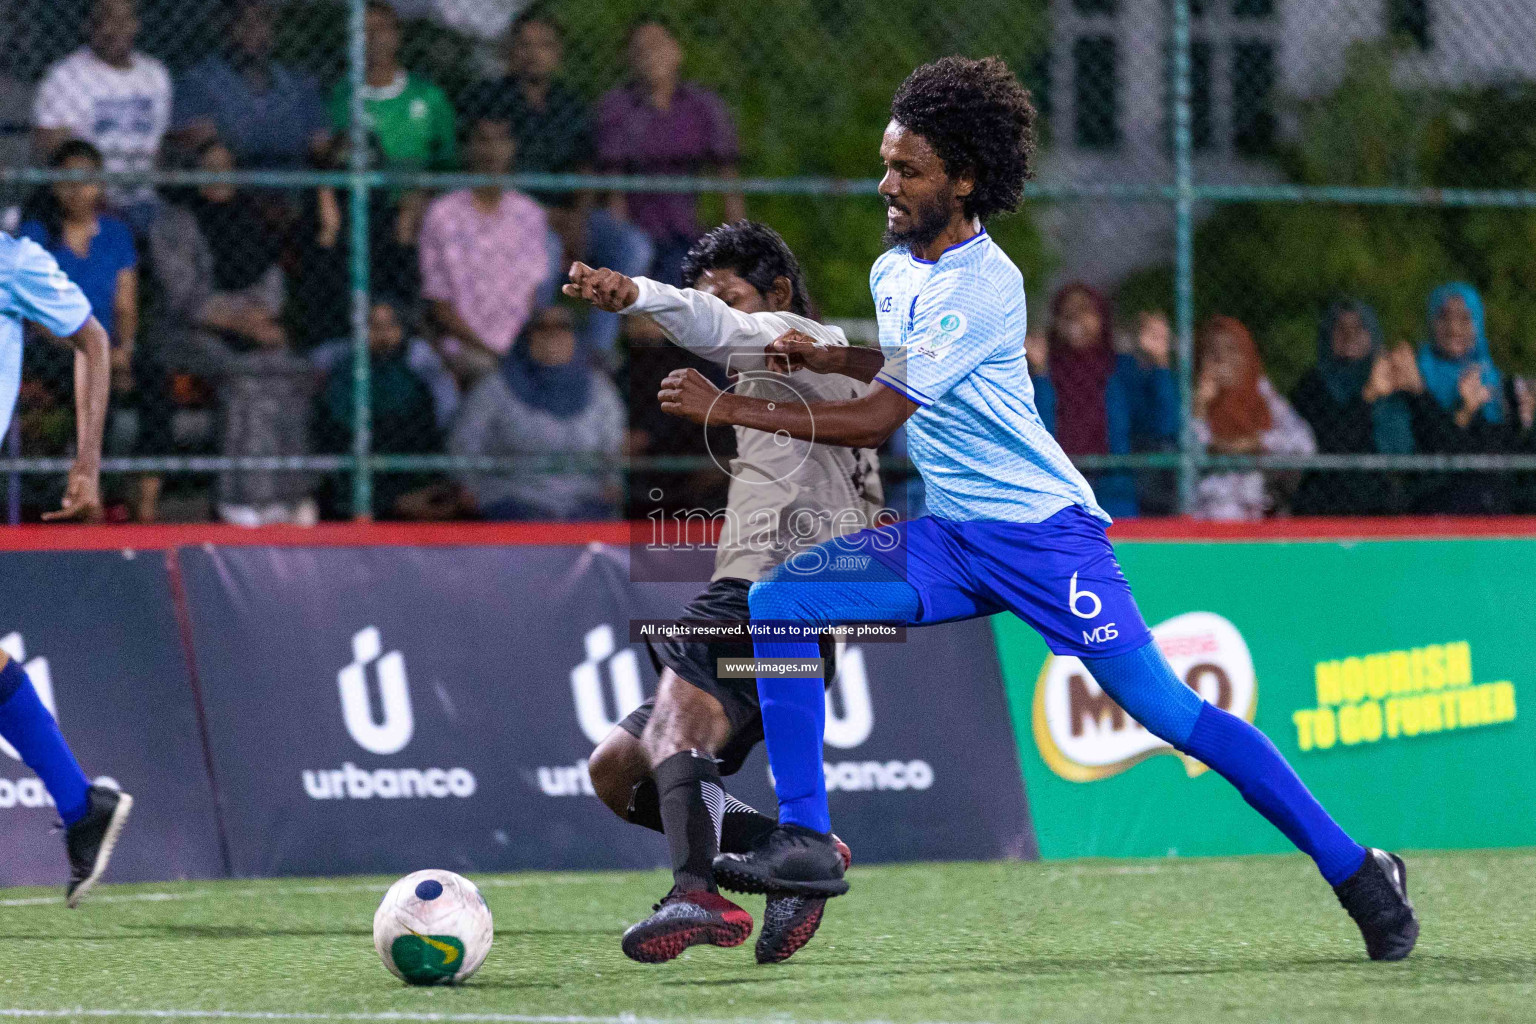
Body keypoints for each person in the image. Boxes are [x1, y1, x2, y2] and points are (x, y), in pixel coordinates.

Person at [653, 57, 1417, 963]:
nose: (887, 185)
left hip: (1044, 539)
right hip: (950, 537)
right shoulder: (895, 268)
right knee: (780, 602)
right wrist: (825, 357)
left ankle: (1358, 870)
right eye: (887, 165)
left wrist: (727, 405)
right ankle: (807, 838)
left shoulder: (985, 282)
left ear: (965, 179)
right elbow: (897, 372)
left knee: (1169, 714)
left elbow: (877, 419)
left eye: (909, 171)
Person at [566, 220, 881, 965]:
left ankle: (694, 893)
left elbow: (715, 324)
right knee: (618, 769)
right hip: (804, 613)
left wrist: (639, 293)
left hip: (766, 593)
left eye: (730, 293)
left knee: (676, 729)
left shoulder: (790, 336)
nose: (714, 311)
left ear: (775, 294)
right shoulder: (821, 372)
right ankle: (797, 852)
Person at [0, 228, 133, 902]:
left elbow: (93, 340)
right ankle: (83, 807)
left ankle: (84, 806)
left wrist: (86, 464)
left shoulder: (15, 262)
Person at [457, 11, 653, 357]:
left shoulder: (571, 105)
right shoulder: (487, 99)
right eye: (524, 45)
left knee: (632, 245)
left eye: (544, 45)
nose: (534, 53)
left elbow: (585, 169)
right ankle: (534, 349)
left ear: (557, 53)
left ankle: (597, 352)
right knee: (544, 251)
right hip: (512, 216)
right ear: (509, 51)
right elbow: (487, 168)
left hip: (569, 214)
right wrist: (547, 217)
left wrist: (578, 218)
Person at [147, 140, 315, 526]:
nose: (219, 175)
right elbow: (184, 296)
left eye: (226, 166)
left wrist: (260, 318)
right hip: (186, 334)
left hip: (250, 329)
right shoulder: (174, 222)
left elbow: (271, 280)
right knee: (245, 377)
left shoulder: (250, 217)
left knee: (289, 371)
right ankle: (241, 500)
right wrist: (244, 321)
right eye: (210, 166)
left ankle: (288, 497)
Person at [17, 140, 151, 518]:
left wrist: (124, 348)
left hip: (108, 347)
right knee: (91, 378)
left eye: (87, 180)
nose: (78, 190)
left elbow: (126, 305)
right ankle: (89, 504)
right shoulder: (37, 234)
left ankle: (141, 503)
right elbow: (36, 313)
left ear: (101, 185)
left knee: (152, 377)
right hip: (53, 346)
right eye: (68, 181)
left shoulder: (116, 234)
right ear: (56, 187)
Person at [595, 17, 744, 285]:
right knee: (631, 259)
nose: (650, 55)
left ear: (677, 51)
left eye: (658, 45)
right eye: (640, 49)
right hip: (635, 228)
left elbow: (727, 178)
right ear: (628, 58)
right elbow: (612, 188)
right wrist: (620, 235)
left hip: (684, 228)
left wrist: (737, 240)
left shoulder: (702, 106)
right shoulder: (617, 107)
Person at [448, 304, 623, 520]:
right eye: (542, 328)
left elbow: (614, 448)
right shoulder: (496, 386)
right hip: (512, 498)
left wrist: (613, 483)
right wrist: (469, 487)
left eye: (562, 327)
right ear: (527, 337)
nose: (552, 335)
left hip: (584, 499)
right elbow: (465, 443)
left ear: (576, 338)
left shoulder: (599, 389)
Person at [418, 114, 550, 385]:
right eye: (483, 140)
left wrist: (520, 350)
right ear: (467, 148)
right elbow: (438, 304)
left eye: (501, 140)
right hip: (464, 347)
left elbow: (533, 296)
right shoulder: (442, 214)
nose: (492, 150)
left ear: (513, 148)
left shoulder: (529, 214)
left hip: (519, 347)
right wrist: (491, 353)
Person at [1032, 285, 1178, 517]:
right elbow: (1037, 432)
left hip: (1115, 495)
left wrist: (1160, 362)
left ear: (1102, 318)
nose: (1075, 317)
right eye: (1066, 312)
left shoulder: (1122, 370)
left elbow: (1163, 424)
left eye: (1084, 310)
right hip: (1056, 493)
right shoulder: (1042, 374)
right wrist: (1039, 374)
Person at [312, 297, 462, 520]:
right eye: (373, 326)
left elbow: (439, 422)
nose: (383, 334)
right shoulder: (345, 373)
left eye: (391, 325)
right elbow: (340, 430)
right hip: (359, 477)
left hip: (411, 469)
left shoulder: (420, 373)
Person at [31, 0, 172, 226]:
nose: (117, 27)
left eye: (125, 19)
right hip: (86, 202)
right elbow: (50, 149)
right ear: (90, 25)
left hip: (145, 200)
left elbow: (159, 148)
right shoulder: (65, 76)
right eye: (108, 18)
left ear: (136, 24)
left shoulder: (155, 75)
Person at [1404, 282, 1526, 515]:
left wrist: (1525, 423)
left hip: (1494, 513)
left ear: (1478, 323)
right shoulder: (1414, 380)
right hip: (1433, 511)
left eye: (1464, 319)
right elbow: (1428, 458)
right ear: (1431, 323)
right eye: (1444, 318)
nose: (1453, 328)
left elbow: (1506, 459)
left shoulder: (1498, 383)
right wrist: (1464, 412)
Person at [1290, 300, 1417, 516]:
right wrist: (1368, 395)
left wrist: (1418, 392)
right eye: (1341, 329)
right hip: (1326, 502)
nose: (1350, 335)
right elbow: (1332, 445)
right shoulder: (1313, 385)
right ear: (1328, 336)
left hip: (1385, 505)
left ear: (1372, 334)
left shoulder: (1394, 381)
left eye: (1359, 328)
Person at [170, 0, 330, 169]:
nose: (255, 32)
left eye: (263, 20)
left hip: (294, 187)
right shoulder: (199, 82)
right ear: (227, 27)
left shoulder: (299, 86)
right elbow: (195, 140)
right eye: (244, 23)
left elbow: (321, 146)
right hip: (235, 189)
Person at [1190, 316, 1316, 520]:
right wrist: (1200, 408)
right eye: (1213, 353)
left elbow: (1305, 443)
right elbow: (1187, 454)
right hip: (1207, 521)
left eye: (1231, 350)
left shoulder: (1264, 396)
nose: (1222, 359)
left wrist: (1257, 442)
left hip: (1259, 519)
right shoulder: (1194, 401)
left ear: (1246, 355)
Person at [329, 1, 456, 173]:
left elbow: (448, 160)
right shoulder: (339, 96)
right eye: (364, 30)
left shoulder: (429, 95)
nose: (374, 37)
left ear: (397, 35)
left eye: (382, 28)